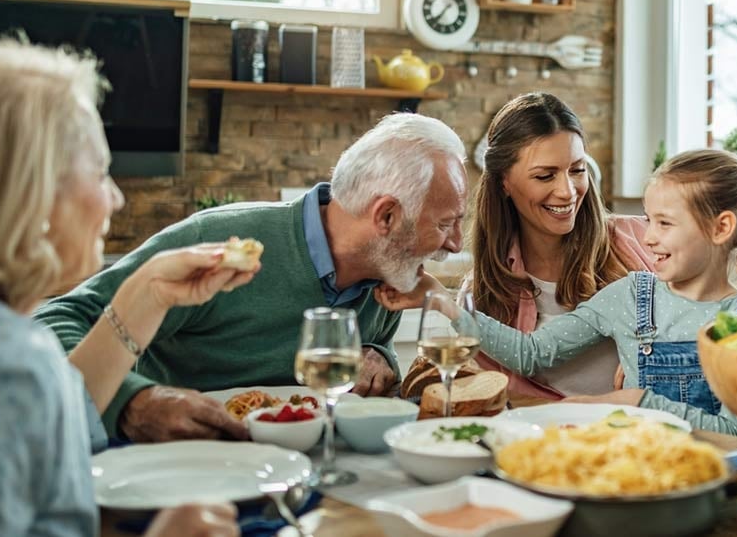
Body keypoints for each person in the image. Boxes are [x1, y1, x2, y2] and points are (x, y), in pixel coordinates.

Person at [36, 111, 468, 442]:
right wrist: (133, 401)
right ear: (387, 216)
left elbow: (370, 364)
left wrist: (380, 358)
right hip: (170, 467)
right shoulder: (219, 240)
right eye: (447, 223)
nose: (455, 244)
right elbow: (53, 324)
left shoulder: (390, 274)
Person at [0, 40, 243, 535]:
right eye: (100, 172)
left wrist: (150, 290)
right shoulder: (0, 367)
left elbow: (57, 429)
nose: (115, 197)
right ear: (32, 193)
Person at [387, 149, 737, 435]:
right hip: (625, 466)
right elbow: (532, 354)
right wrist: (445, 303)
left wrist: (635, 401)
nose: (649, 237)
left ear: (721, 228)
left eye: (665, 224)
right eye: (649, 220)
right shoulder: (630, 295)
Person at [463, 92, 655, 399]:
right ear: (504, 183)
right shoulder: (482, 294)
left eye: (577, 170)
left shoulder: (645, 240)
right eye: (544, 175)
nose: (567, 191)